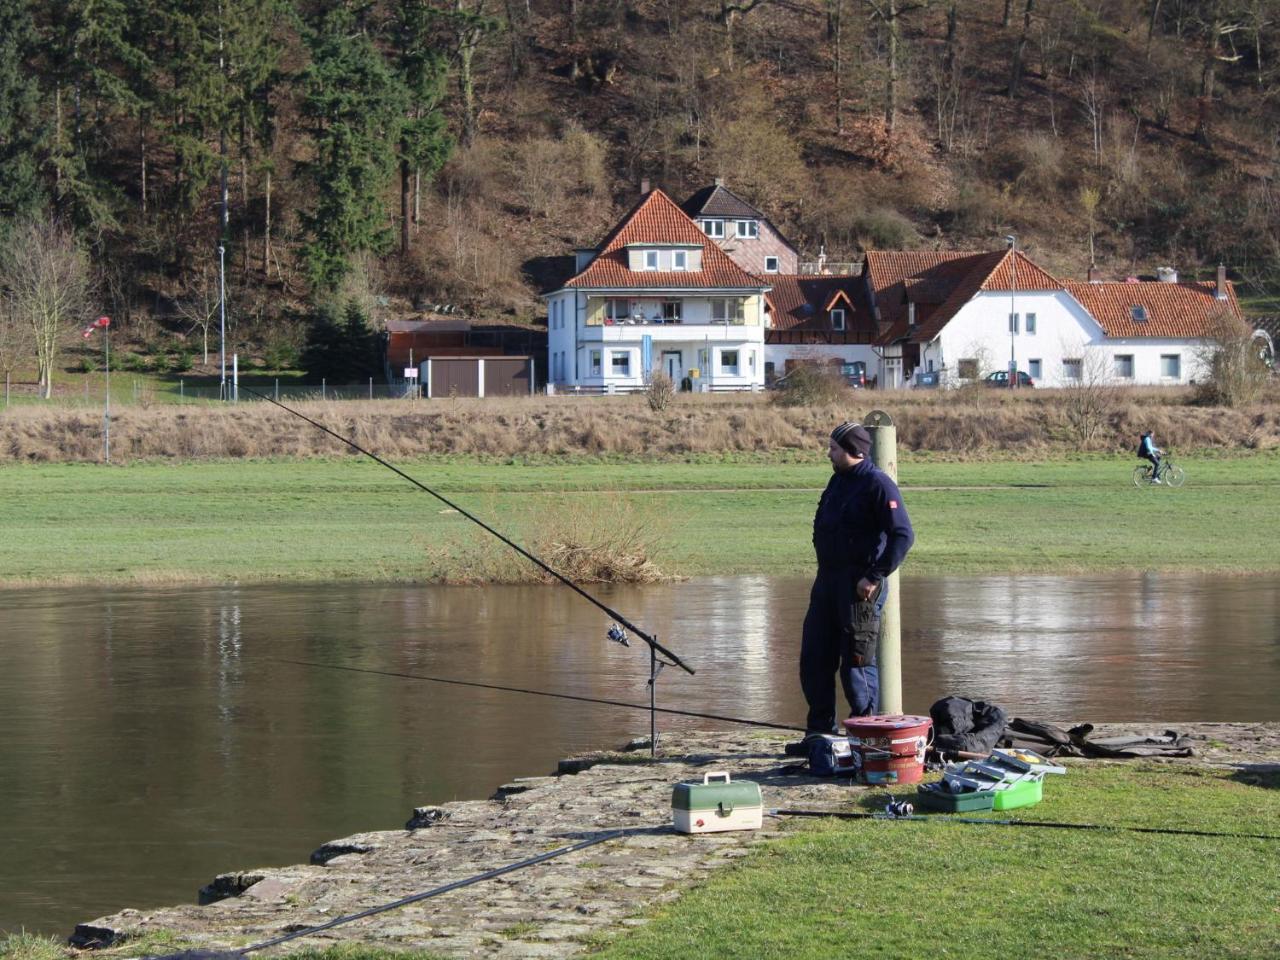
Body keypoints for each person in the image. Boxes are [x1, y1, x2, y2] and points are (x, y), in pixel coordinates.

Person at [794, 421, 914, 747]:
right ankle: (820, 735)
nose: (828, 453)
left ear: (854, 451)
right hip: (827, 583)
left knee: (857, 666)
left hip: (859, 588)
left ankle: (866, 737)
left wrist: (873, 576)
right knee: (814, 659)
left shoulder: (879, 484)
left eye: (834, 448)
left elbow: (903, 535)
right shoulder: (837, 480)